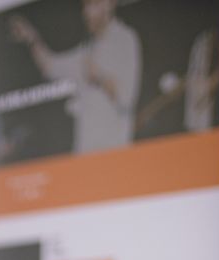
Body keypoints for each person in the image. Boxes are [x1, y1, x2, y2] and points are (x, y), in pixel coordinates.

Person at [10, 0, 141, 155]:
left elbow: (126, 98)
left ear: (109, 4)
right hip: (84, 153)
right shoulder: (88, 50)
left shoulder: (125, 39)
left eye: (92, 5)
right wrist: (31, 38)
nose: (85, 13)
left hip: (112, 153)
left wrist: (99, 77)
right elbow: (50, 66)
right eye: (84, 7)